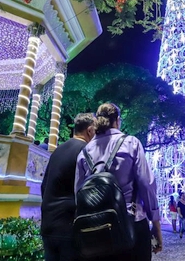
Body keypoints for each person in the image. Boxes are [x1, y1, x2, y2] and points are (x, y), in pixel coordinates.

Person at [75, 103, 162, 260]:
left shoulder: (84, 152)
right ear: (118, 120)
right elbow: (146, 185)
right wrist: (155, 222)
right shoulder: (131, 143)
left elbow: (78, 193)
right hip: (132, 223)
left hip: (97, 229)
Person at [41, 113, 96, 261]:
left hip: (48, 223)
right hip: (69, 226)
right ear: (90, 130)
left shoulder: (58, 150)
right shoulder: (86, 151)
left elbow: (44, 186)